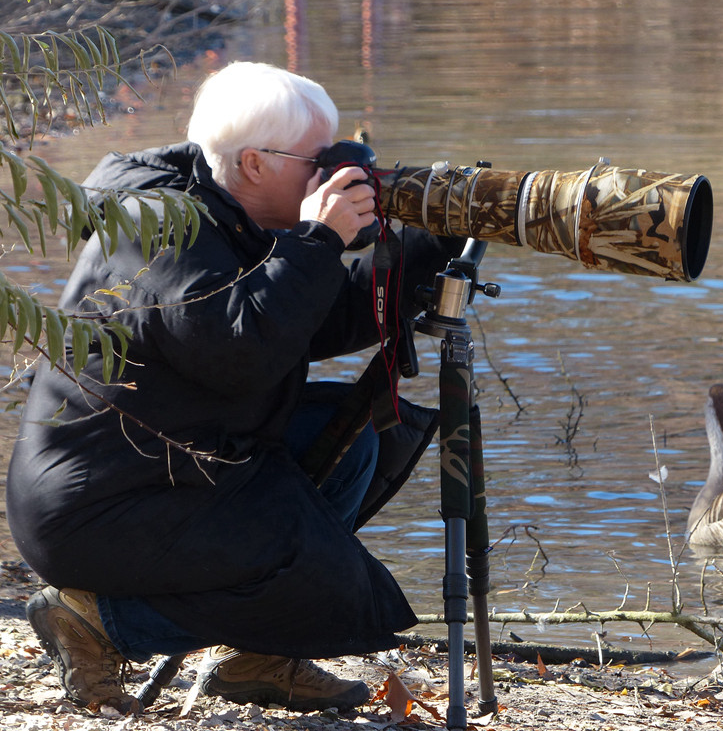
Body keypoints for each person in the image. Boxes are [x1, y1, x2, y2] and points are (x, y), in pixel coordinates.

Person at [6, 62, 466, 714]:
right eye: (320, 160)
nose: (335, 174)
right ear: (254, 162)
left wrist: (430, 240)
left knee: (352, 442)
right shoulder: (160, 226)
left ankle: (256, 657)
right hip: (100, 504)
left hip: (177, 464)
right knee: (321, 574)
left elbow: (314, 318)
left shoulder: (234, 214)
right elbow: (239, 352)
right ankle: (97, 619)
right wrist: (319, 237)